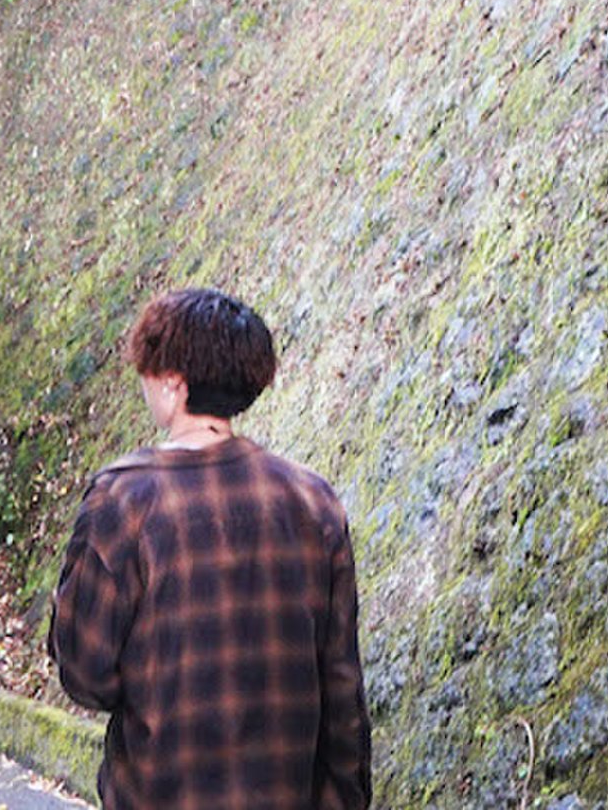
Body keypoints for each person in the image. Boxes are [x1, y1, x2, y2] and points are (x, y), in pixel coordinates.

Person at [49, 288, 370, 809]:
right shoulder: (313, 501)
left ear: (174, 385)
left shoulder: (125, 499)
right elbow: (341, 685)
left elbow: (86, 673)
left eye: (149, 371)